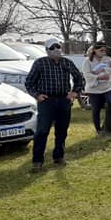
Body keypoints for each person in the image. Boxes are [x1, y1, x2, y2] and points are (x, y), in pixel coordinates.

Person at [24, 38, 85, 170]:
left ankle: (59, 156)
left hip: (64, 99)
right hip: (46, 100)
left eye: (58, 47)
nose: (56, 50)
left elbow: (79, 78)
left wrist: (74, 92)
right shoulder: (40, 63)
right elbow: (29, 82)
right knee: (42, 131)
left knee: (62, 130)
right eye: (52, 48)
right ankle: (37, 161)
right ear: (47, 50)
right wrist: (37, 95)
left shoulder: (67, 62)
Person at [81, 41, 111, 136]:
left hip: (108, 87)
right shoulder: (87, 61)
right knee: (96, 109)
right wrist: (98, 77)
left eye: (104, 50)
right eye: (101, 50)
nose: (103, 52)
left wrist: (104, 70)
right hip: (94, 89)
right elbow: (87, 74)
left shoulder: (108, 59)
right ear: (95, 50)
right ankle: (98, 130)